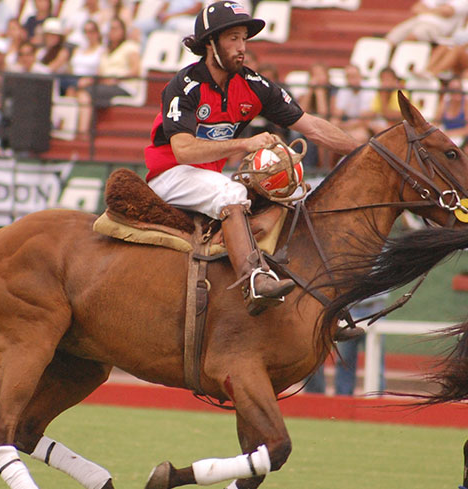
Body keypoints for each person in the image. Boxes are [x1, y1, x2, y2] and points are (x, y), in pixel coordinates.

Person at [144, 1, 359, 315]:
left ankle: (308, 299)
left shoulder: (254, 86)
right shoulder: (183, 86)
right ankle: (253, 280)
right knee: (233, 193)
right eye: (232, 38)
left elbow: (311, 126)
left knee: (286, 197)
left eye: (244, 38)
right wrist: (244, 145)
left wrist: (365, 150)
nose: (241, 47)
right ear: (210, 43)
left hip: (206, 179)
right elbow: (184, 150)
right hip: (170, 175)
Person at [306, 294, 387, 396]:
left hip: (374, 307)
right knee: (344, 360)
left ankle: (377, 399)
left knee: (376, 358)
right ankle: (342, 401)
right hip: (347, 307)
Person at [383, 0, 468, 45]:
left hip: (437, 27)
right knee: (393, 36)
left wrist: (427, 10)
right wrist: (438, 11)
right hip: (418, 21)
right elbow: (416, 8)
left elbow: (448, 12)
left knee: (414, 35)